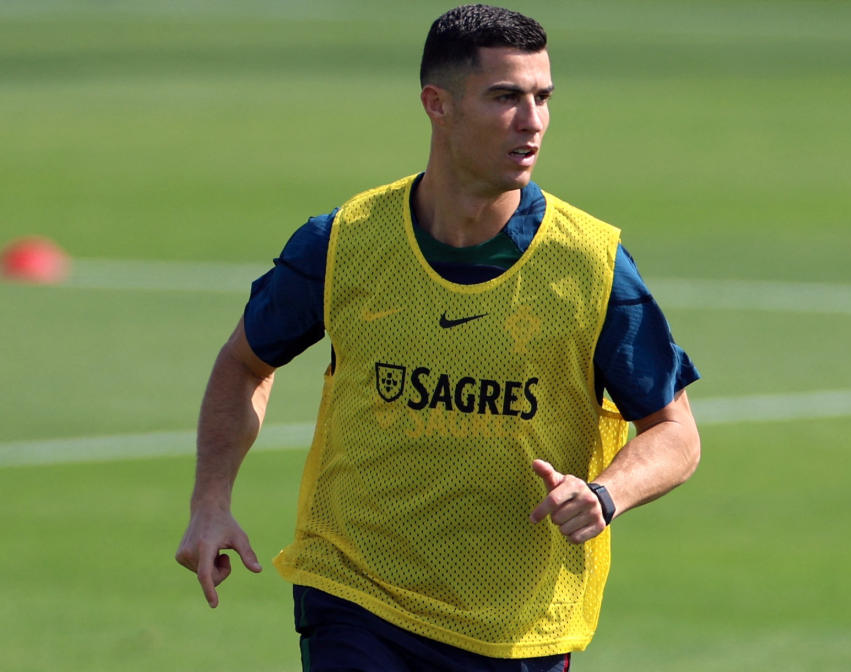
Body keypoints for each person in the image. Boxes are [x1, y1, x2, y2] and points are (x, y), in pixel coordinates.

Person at [175, 5, 701, 671]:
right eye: (505, 97)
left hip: (514, 628)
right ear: (438, 105)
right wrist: (210, 502)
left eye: (543, 98)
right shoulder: (345, 242)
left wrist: (605, 494)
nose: (532, 121)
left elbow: (676, 432)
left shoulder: (591, 265)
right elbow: (243, 365)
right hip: (355, 594)